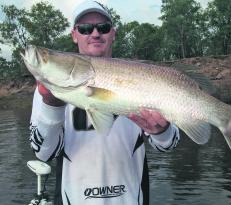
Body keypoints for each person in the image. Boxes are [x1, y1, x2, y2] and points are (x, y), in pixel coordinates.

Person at [29, 0, 180, 205]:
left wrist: (162, 131)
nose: (95, 33)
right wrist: (51, 104)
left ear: (113, 33)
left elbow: (168, 145)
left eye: (103, 27)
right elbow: (44, 153)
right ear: (74, 35)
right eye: (84, 28)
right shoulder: (47, 91)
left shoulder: (143, 78)